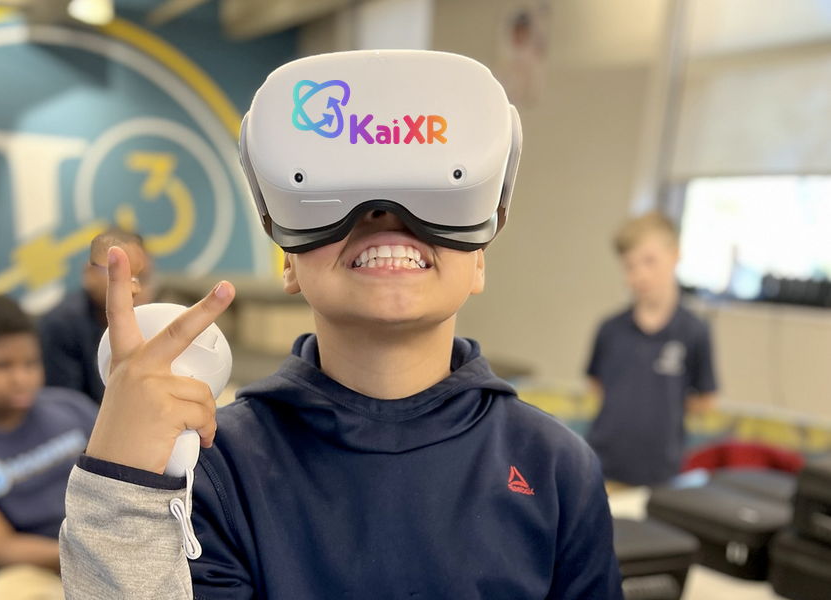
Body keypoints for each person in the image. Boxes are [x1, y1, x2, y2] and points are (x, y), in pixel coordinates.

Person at [59, 50, 622, 599]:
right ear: (288, 263)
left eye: (432, 194)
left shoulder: (554, 465)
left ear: (478, 259)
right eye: (336, 197)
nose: (386, 215)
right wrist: (122, 490)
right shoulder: (216, 466)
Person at [0, 295, 97, 600]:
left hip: (117, 539)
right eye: (1, 366)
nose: (21, 379)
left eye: (31, 363)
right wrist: (91, 556)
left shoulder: (72, 407)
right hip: (42, 568)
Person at [585, 211, 718, 489]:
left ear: (674, 255)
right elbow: (596, 383)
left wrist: (662, 407)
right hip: (602, 463)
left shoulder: (694, 331)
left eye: (649, 261)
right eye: (630, 266)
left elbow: (705, 398)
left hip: (660, 472)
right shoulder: (609, 329)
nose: (639, 274)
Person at [38, 227, 153, 404]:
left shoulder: (153, 319)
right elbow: (69, 407)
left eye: (142, 278)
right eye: (120, 275)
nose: (134, 287)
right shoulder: (60, 325)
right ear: (89, 272)